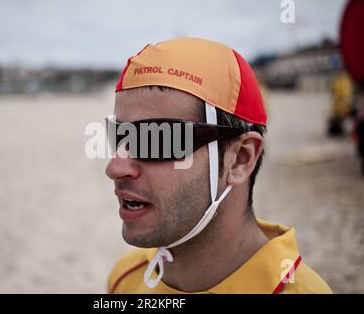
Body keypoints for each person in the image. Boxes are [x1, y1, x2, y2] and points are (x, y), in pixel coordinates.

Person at [105, 38, 332, 294]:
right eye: (118, 135)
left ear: (240, 159)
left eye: (156, 139)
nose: (115, 167)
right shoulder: (125, 278)